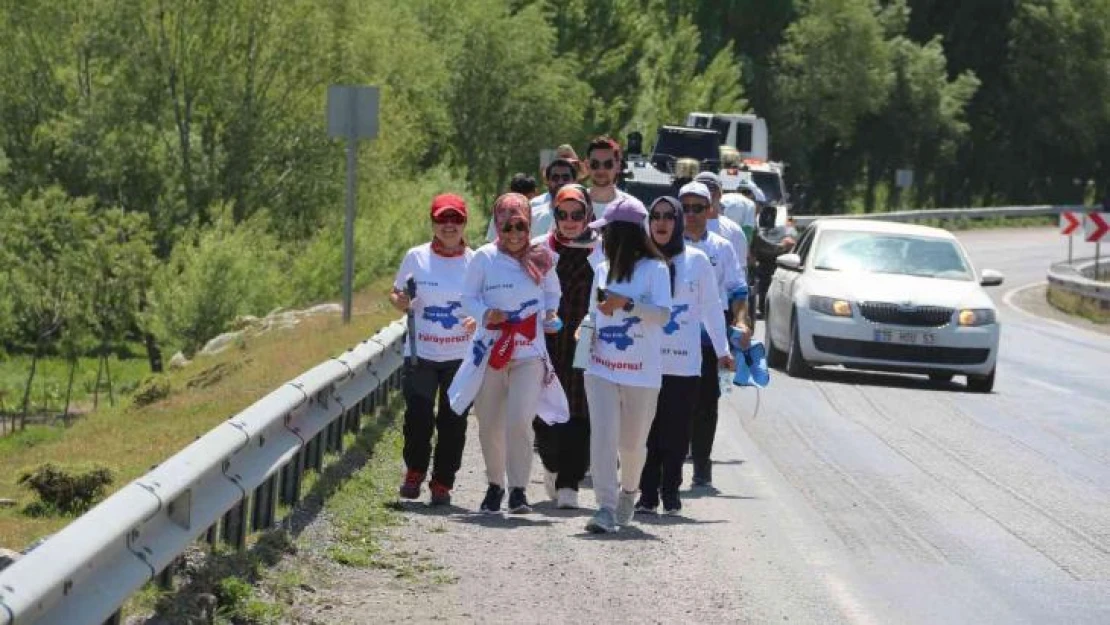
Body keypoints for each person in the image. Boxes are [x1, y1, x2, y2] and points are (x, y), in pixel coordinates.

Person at [462, 193, 562, 514]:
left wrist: (549, 315)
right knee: (489, 422)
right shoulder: (484, 257)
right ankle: (495, 485)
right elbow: (467, 297)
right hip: (491, 350)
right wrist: (485, 314)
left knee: (520, 419)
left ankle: (519, 489)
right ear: (498, 226)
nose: (515, 234)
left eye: (521, 226)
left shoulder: (542, 256)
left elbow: (551, 292)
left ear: (529, 224)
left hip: (528, 352)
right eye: (507, 227)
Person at [582, 196, 673, 533]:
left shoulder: (656, 269)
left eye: (605, 231)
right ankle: (604, 507)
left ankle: (629, 491)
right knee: (603, 437)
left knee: (632, 444)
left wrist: (629, 304)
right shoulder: (602, 268)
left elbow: (663, 315)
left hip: (642, 372)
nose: (601, 237)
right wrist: (585, 328)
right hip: (601, 367)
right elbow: (594, 311)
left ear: (622, 234)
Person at [637, 196, 732, 515]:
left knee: (676, 433)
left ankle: (671, 491)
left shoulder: (697, 260)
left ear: (678, 222)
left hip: (683, 363)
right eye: (655, 216)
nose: (662, 222)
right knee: (646, 432)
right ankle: (647, 494)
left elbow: (711, 309)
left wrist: (723, 350)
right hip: (643, 363)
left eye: (668, 216)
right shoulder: (639, 259)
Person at [391, 194, 477, 506]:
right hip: (421, 352)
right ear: (433, 223)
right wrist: (400, 301)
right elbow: (397, 291)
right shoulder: (416, 256)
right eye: (443, 219)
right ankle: (414, 471)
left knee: (453, 421)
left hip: (460, 355)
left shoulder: (476, 261)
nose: (449, 226)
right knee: (418, 415)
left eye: (455, 219)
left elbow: (485, 303)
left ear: (465, 223)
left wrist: (476, 319)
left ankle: (442, 482)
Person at [679, 182, 751, 488]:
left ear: (710, 210)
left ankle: (702, 467)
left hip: (712, 330)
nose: (692, 214)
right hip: (675, 329)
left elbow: (738, 289)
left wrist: (742, 322)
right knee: (672, 398)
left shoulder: (722, 246)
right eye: (686, 208)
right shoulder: (665, 243)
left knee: (707, 400)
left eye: (699, 208)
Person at [533, 184, 598, 509]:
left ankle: (570, 481)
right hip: (545, 339)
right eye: (563, 214)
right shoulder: (539, 249)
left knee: (581, 411)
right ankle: (552, 464)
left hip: (585, 337)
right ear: (554, 215)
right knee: (543, 410)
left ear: (588, 215)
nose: (570, 220)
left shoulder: (602, 250)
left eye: (577, 214)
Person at [487, 158, 578, 241]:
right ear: (547, 181)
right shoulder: (531, 214)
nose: (560, 182)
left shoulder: (586, 213)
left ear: (574, 181)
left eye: (566, 178)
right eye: (555, 178)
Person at [695, 171, 749, 275]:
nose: (708, 196)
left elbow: (740, 272)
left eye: (711, 190)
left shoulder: (734, 231)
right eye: (702, 191)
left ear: (720, 194)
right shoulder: (682, 226)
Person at [585, 136, 631, 219]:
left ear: (618, 166)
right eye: (595, 164)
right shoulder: (570, 203)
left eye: (608, 164)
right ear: (587, 165)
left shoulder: (632, 209)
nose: (601, 170)